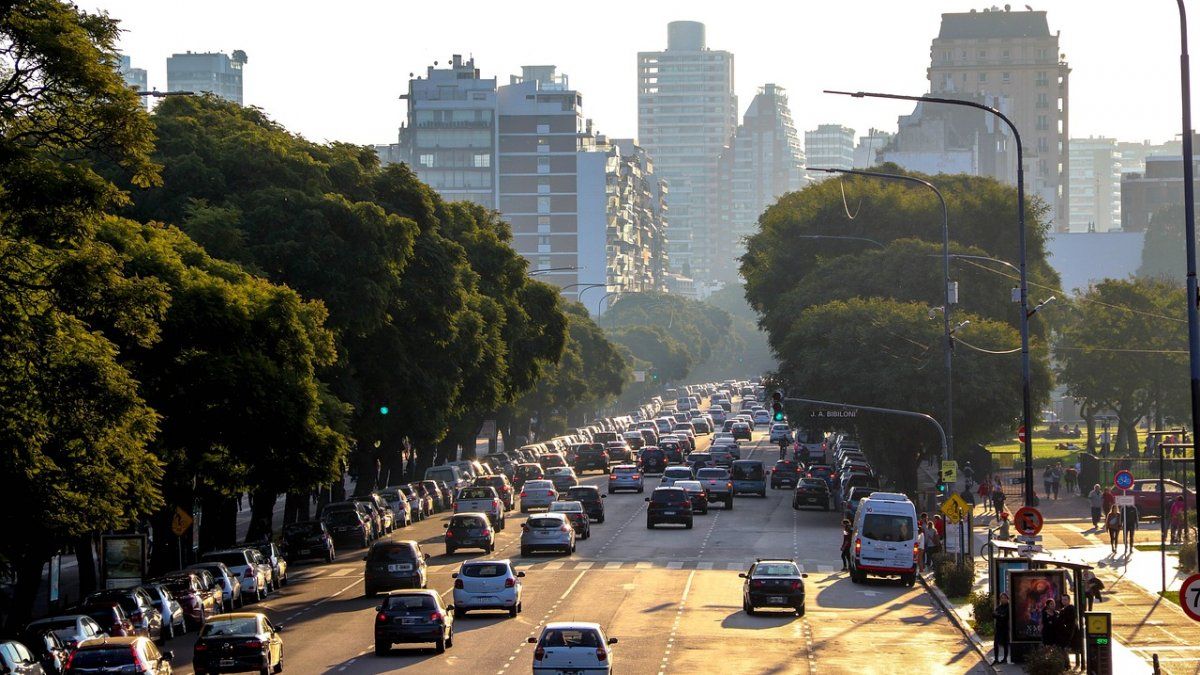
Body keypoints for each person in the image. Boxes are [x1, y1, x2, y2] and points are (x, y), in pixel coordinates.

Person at [1058, 593, 1080, 669]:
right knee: (1063, 649)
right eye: (1062, 599)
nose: (1063, 601)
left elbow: (1072, 623)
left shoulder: (1070, 609)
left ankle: (1067, 665)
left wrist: (1070, 635)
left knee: (1064, 649)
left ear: (1069, 600)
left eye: (1065, 599)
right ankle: (1066, 665)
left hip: (1069, 633)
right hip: (1065, 633)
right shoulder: (1063, 609)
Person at [993, 592, 1012, 664]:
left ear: (1007, 599)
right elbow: (994, 614)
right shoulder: (999, 607)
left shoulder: (1008, 607)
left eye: (1004, 598)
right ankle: (996, 659)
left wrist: (999, 615)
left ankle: (1005, 658)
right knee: (996, 643)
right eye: (1001, 598)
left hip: (1005, 627)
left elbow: (1005, 616)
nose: (1003, 599)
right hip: (998, 628)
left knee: (1005, 643)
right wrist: (999, 615)